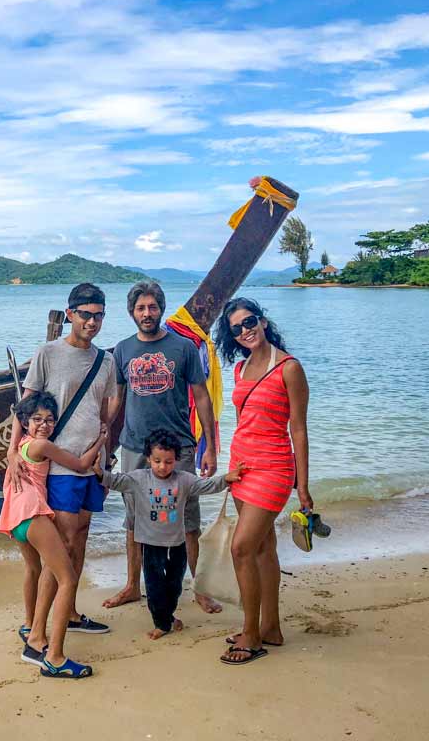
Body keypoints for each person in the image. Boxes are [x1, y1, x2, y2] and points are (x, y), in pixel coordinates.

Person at [7, 282, 119, 635]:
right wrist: (12, 451)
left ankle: (68, 614)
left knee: (81, 537)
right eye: (85, 314)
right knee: (64, 543)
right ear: (70, 314)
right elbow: (25, 406)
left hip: (91, 464)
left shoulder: (106, 361)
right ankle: (41, 626)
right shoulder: (49, 353)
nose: (92, 322)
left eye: (99, 316)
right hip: (61, 466)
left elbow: (103, 412)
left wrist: (107, 454)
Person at [103, 281, 221, 614]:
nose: (147, 313)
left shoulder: (183, 347)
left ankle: (199, 588)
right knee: (133, 519)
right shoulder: (122, 350)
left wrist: (209, 447)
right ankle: (131, 586)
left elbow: (202, 397)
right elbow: (117, 402)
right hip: (134, 447)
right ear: (131, 313)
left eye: (152, 307)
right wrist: (104, 444)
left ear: (161, 309)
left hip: (179, 446)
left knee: (187, 518)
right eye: (140, 308)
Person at [213, 297, 311, 665]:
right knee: (264, 548)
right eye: (236, 328)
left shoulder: (289, 368)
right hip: (242, 467)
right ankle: (271, 627)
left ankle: (251, 635)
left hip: (274, 469)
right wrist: (230, 466)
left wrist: (302, 485)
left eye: (250, 321)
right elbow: (245, 422)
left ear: (263, 321)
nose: (245, 330)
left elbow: (298, 430)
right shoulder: (239, 371)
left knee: (241, 549)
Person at [0, 392, 106, 678]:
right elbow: (81, 465)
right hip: (32, 513)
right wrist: (101, 441)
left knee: (34, 568)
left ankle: (31, 631)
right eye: (37, 420)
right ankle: (54, 657)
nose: (44, 425)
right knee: (67, 577)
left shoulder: (20, 446)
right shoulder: (41, 445)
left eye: (49, 420)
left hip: (15, 518)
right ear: (24, 421)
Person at [101, 430, 244, 639]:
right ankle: (162, 623)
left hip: (177, 545)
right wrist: (97, 471)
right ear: (148, 458)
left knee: (174, 586)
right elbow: (114, 481)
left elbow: (207, 486)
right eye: (157, 460)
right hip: (150, 545)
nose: (162, 466)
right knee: (154, 587)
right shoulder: (139, 478)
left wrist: (226, 479)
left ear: (176, 460)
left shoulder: (184, 480)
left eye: (168, 461)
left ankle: (168, 616)